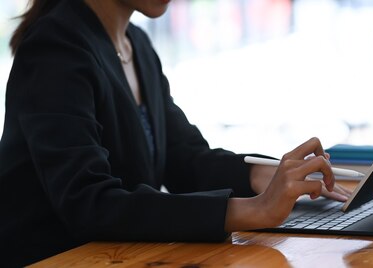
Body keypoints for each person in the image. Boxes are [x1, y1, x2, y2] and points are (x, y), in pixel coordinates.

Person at [0, 0, 352, 266]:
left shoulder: (134, 44)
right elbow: (89, 203)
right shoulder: (54, 51)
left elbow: (185, 160)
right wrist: (254, 210)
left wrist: (272, 175)